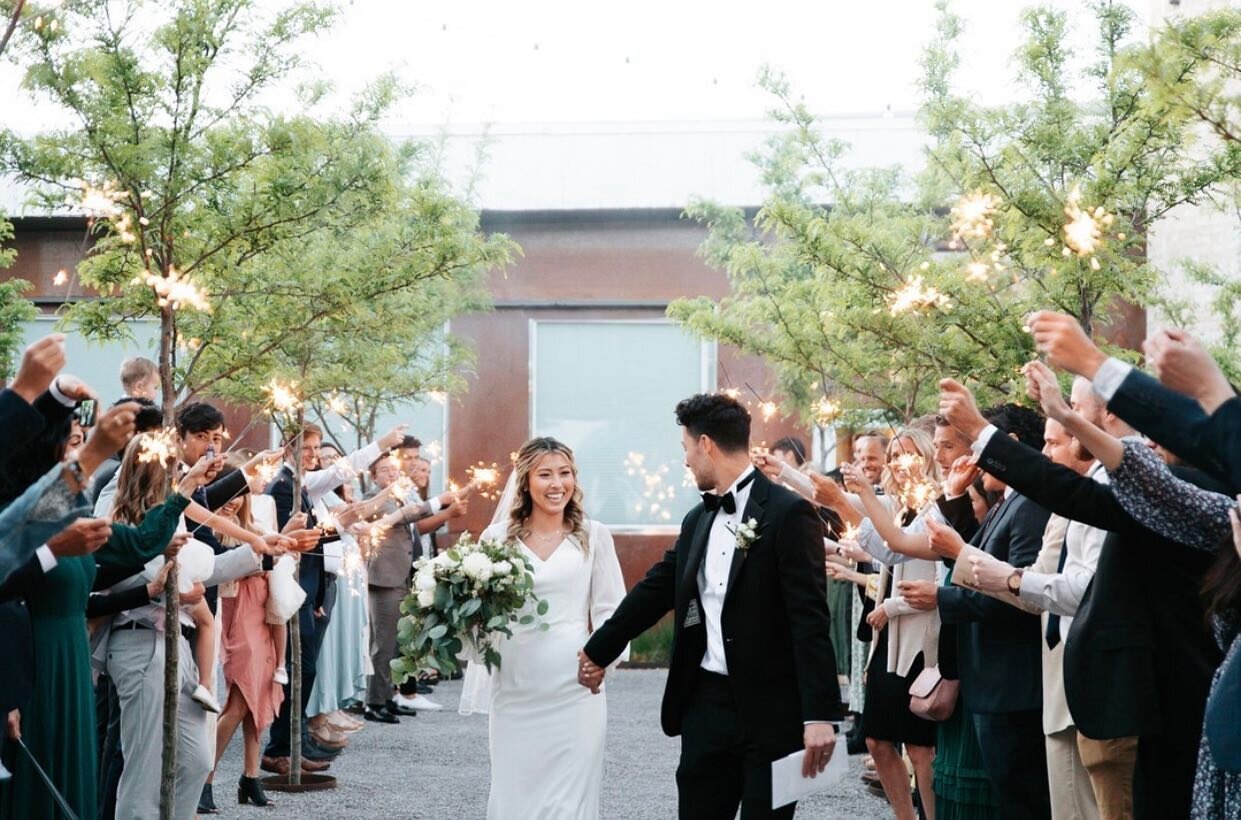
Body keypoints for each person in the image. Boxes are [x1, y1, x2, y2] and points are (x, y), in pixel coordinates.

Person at [582, 393, 842, 819]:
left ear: (705, 444)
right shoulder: (697, 519)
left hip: (773, 711)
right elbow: (655, 590)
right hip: (705, 705)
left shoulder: (790, 513)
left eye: (685, 448)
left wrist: (820, 715)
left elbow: (809, 619)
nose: (685, 460)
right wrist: (598, 649)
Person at [904, 403, 1053, 820]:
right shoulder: (1009, 501)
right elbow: (973, 555)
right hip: (993, 681)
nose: (972, 455)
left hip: (1013, 684)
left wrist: (942, 597)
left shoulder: (1030, 505)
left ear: (1011, 447)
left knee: (1024, 801)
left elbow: (1019, 593)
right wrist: (952, 502)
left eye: (981, 444)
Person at [469, 436, 627, 819]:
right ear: (525, 482)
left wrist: (602, 660)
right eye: (545, 475)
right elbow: (478, 614)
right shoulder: (496, 540)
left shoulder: (593, 535)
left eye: (565, 473)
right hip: (516, 687)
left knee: (570, 799)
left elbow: (612, 610)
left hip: (575, 687)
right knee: (515, 793)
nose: (558, 484)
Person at [361, 453, 456, 723]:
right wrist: (440, 503)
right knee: (383, 643)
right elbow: (406, 516)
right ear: (374, 476)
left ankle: (389, 697)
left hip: (404, 574)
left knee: (397, 644)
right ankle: (374, 702)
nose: (391, 474)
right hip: (384, 578)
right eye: (384, 470)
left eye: (394, 469)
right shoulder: (374, 498)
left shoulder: (402, 496)